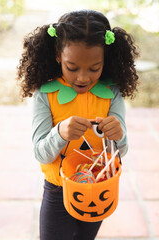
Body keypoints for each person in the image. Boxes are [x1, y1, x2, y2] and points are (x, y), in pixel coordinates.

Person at [17, 10, 139, 240]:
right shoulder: (45, 94)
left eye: (94, 68)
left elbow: (120, 151)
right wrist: (60, 132)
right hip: (57, 190)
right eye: (72, 67)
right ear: (57, 54)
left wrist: (117, 135)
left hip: (98, 187)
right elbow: (41, 154)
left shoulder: (111, 93)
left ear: (106, 59)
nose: (83, 78)